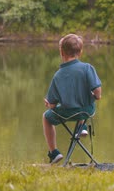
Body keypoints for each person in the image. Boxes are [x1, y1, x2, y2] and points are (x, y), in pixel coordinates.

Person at [42, 34, 102, 164]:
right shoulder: (87, 68)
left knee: (46, 117)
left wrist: (49, 105)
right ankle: (82, 126)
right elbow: (97, 93)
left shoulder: (58, 75)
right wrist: (94, 96)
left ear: (61, 52)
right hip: (87, 111)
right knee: (83, 99)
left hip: (67, 113)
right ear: (80, 52)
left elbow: (52, 105)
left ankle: (54, 152)